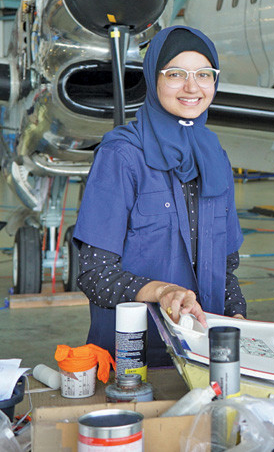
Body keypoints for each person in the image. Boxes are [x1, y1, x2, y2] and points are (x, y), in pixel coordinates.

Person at [73, 25, 246, 366]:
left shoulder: (215, 157)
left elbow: (226, 267)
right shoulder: (122, 156)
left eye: (204, 74)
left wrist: (237, 319)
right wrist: (163, 291)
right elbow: (96, 275)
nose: (192, 87)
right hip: (135, 360)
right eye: (176, 74)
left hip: (203, 354)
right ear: (153, 79)